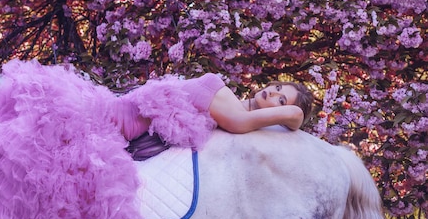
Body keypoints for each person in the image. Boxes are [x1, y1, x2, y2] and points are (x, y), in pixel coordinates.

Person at [113, 73, 314, 142]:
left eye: (280, 100)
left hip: (124, 130)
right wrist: (288, 110)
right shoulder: (226, 99)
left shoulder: (232, 111)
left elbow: (296, 114)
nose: (272, 92)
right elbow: (295, 114)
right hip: (118, 119)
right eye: (277, 87)